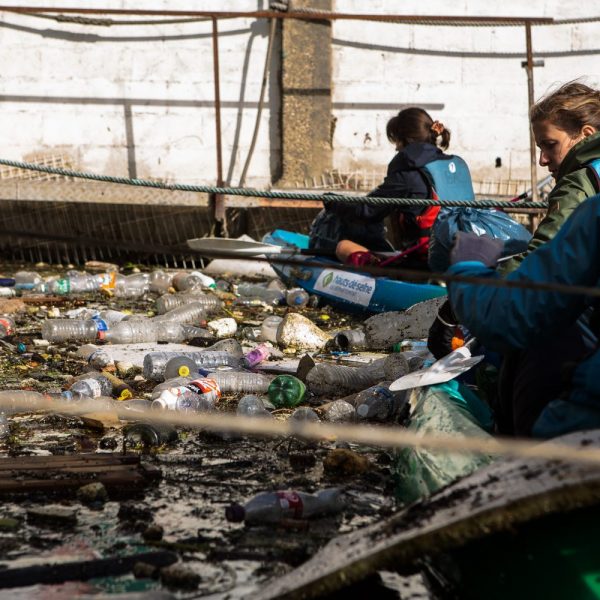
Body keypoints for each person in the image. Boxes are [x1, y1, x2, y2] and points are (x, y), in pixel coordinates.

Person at [429, 81, 600, 359]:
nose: (543, 160)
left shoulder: (578, 184)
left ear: (586, 134)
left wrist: (457, 304)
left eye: (550, 145)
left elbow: (537, 264)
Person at [446, 192, 600, 438]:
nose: (543, 161)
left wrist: (469, 268)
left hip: (585, 422)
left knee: (543, 336)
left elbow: (508, 318)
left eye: (549, 150)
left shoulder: (594, 212)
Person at [308, 107, 474, 268]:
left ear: (406, 141)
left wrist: (332, 201)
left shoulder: (409, 172)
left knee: (343, 246)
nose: (396, 148)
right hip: (462, 253)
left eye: (396, 141)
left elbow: (368, 210)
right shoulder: (450, 165)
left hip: (425, 260)